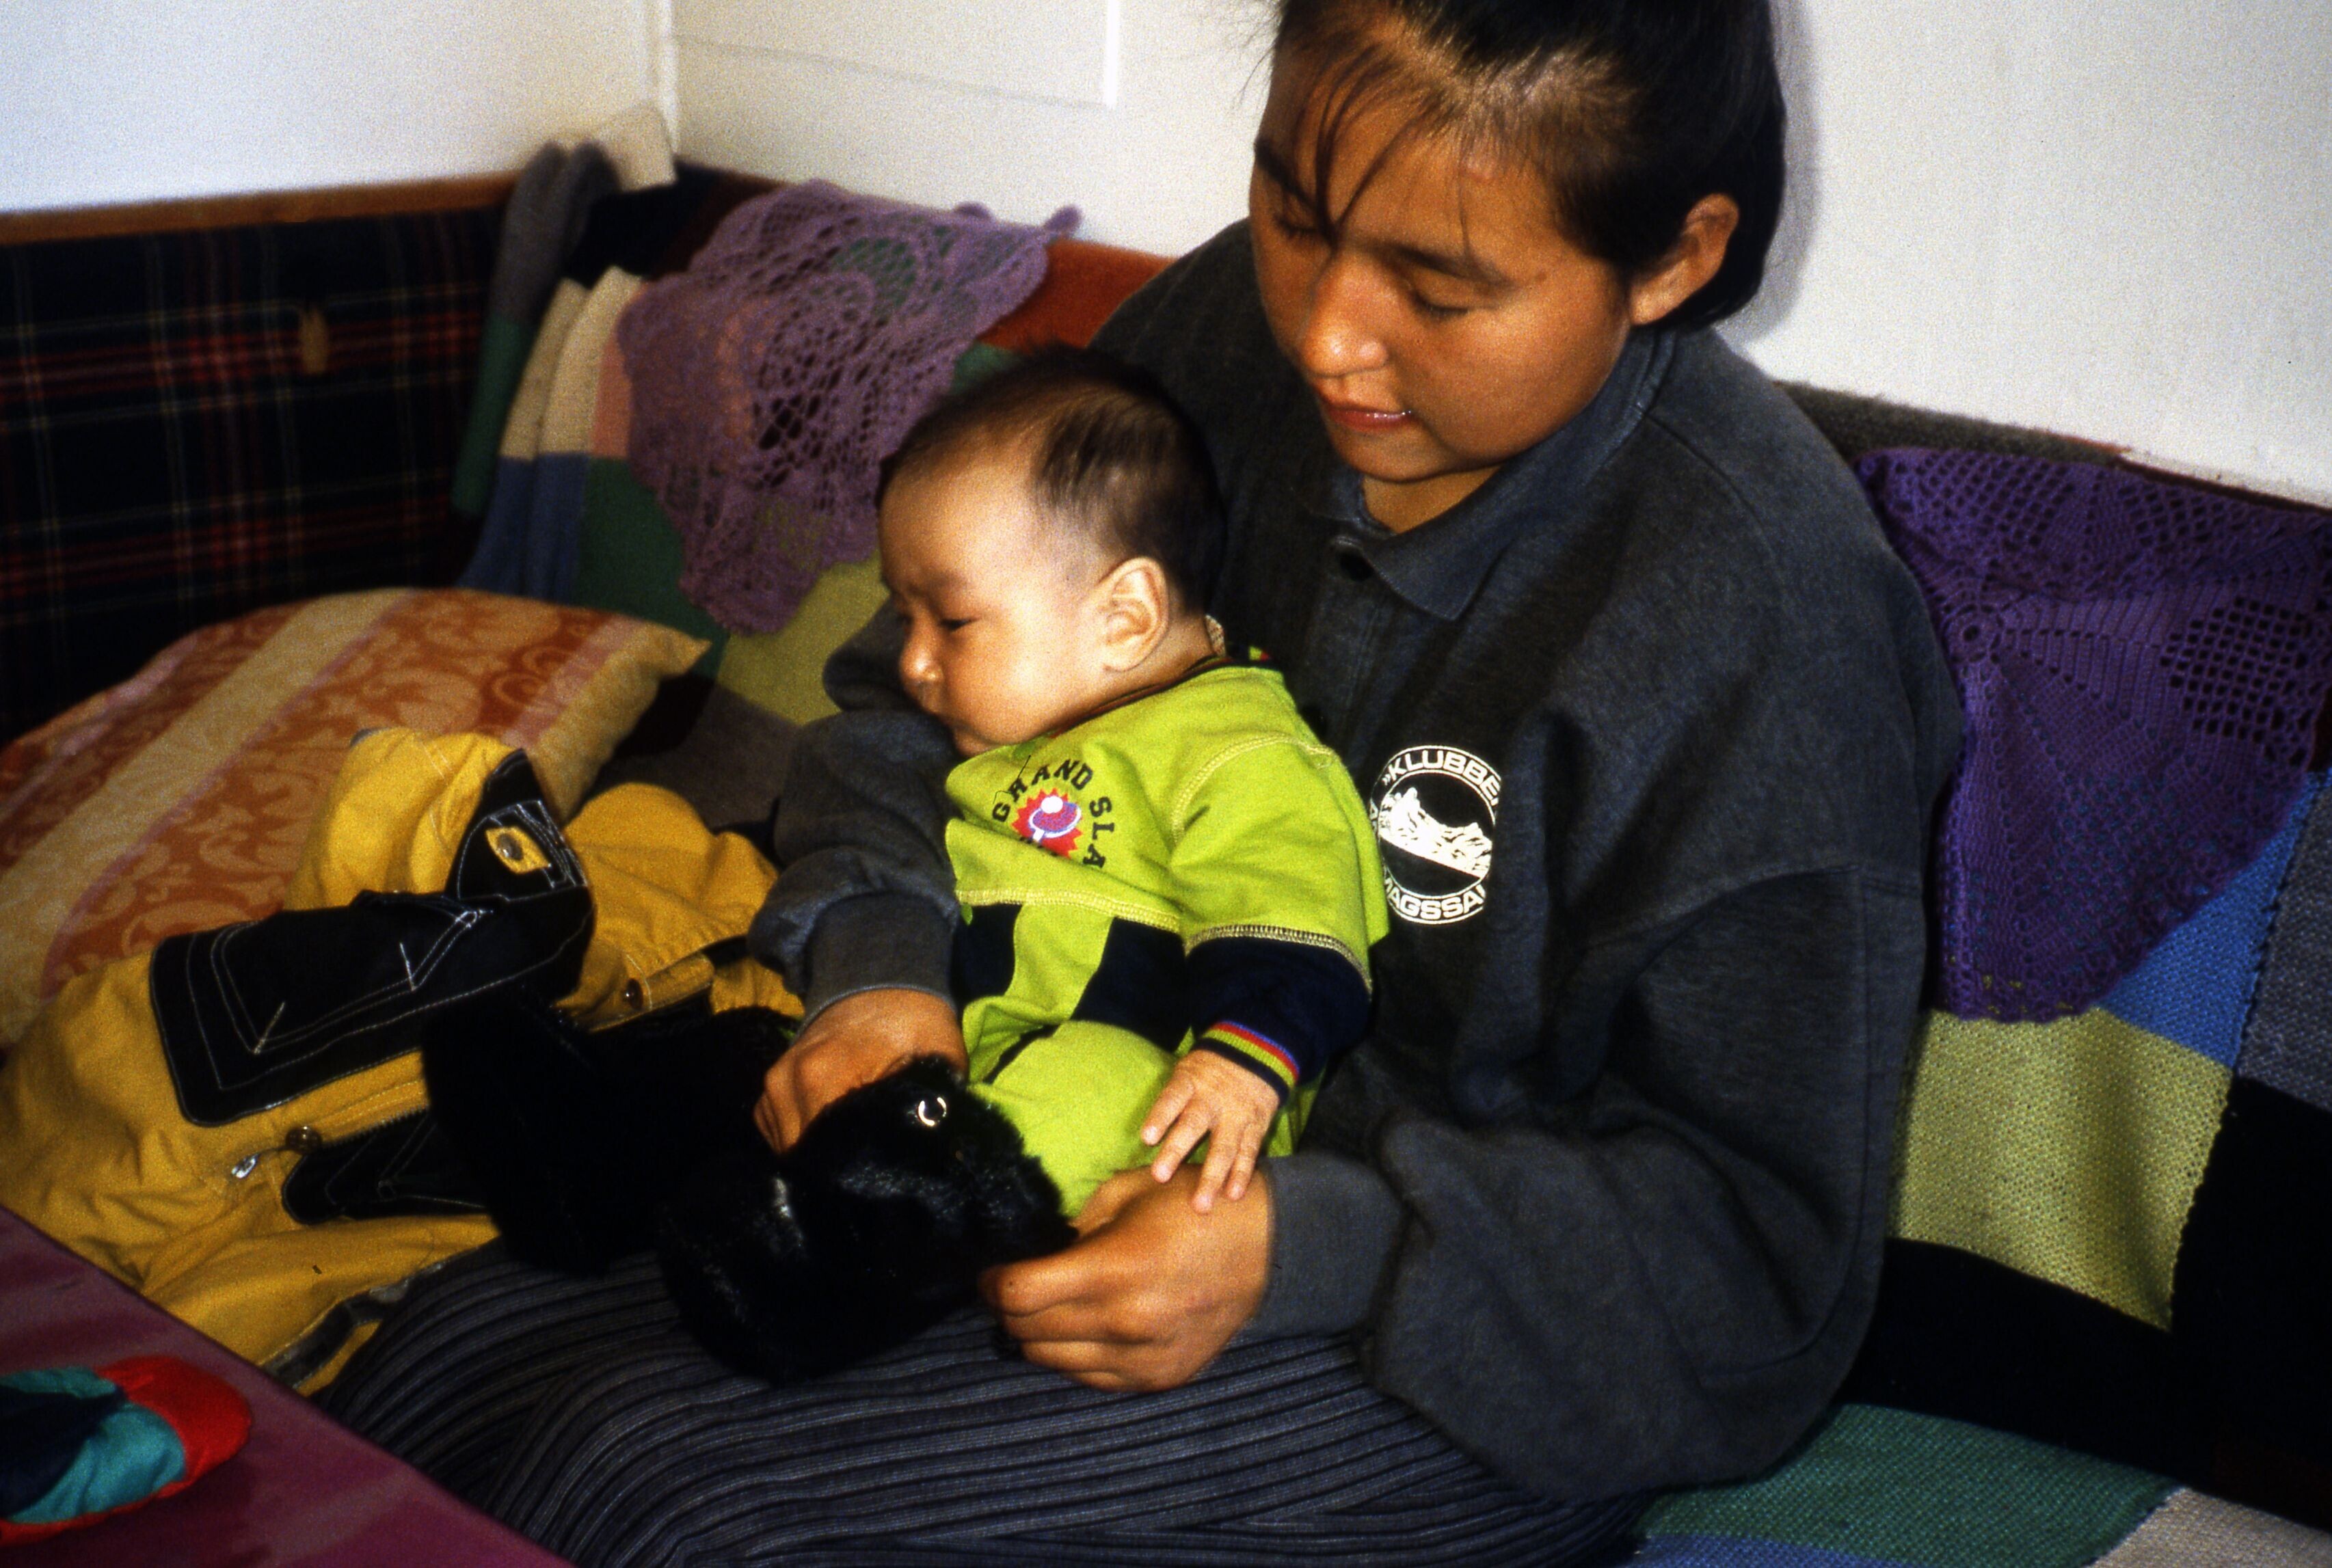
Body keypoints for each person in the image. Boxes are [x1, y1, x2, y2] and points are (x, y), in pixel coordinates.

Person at [320, 1, 1963, 1563]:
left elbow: (1757, 1267)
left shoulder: (1770, 628)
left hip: (1457, 1344)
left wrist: (1304, 1248)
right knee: (453, 1353)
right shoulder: (1210, 340)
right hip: (1035, 1104)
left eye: (1438, 290)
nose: (1324, 333)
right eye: (1293, 211)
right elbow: (902, 712)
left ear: (1672, 256)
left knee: (651, 1486)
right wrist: (881, 977)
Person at [760, 346, 1388, 1217]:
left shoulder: (1235, 747)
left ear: (1124, 618)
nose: (912, 663)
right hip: (985, 1052)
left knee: (1096, 1087)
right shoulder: (1026, 724)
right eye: (905, 620)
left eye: (952, 622)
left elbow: (1295, 911)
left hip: (1155, 1088)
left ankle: (877, 1232)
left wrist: (1238, 1063)